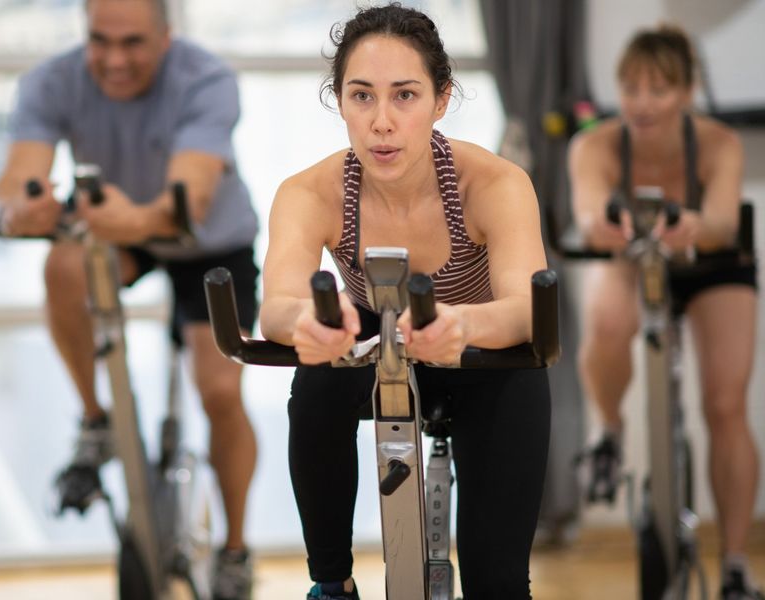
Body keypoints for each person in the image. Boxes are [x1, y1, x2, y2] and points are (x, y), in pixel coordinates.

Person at [259, 5, 552, 599]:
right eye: (362, 96)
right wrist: (307, 324)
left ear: (442, 100)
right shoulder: (309, 192)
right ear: (338, 101)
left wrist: (459, 324)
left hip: (485, 354)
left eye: (406, 96)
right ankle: (331, 583)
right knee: (314, 379)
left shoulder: (494, 183)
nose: (382, 123)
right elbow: (276, 307)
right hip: (375, 337)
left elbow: (526, 308)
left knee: (498, 585)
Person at [0, 0, 260, 596]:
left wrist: (130, 219)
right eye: (100, 41)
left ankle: (236, 550)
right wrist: (21, 208)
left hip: (207, 239)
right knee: (64, 266)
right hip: (120, 232)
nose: (114, 59)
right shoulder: (51, 81)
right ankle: (97, 421)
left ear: (166, 38)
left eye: (133, 43)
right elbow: (16, 181)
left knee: (219, 393)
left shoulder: (207, 79)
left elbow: (187, 202)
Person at [571, 24, 761, 599]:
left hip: (712, 262)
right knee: (605, 321)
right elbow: (586, 215)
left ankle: (733, 565)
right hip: (636, 256)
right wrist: (605, 226)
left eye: (658, 89)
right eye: (631, 89)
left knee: (725, 405)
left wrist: (695, 228)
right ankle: (609, 430)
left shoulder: (717, 143)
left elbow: (725, 222)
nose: (642, 103)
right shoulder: (597, 145)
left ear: (687, 91)